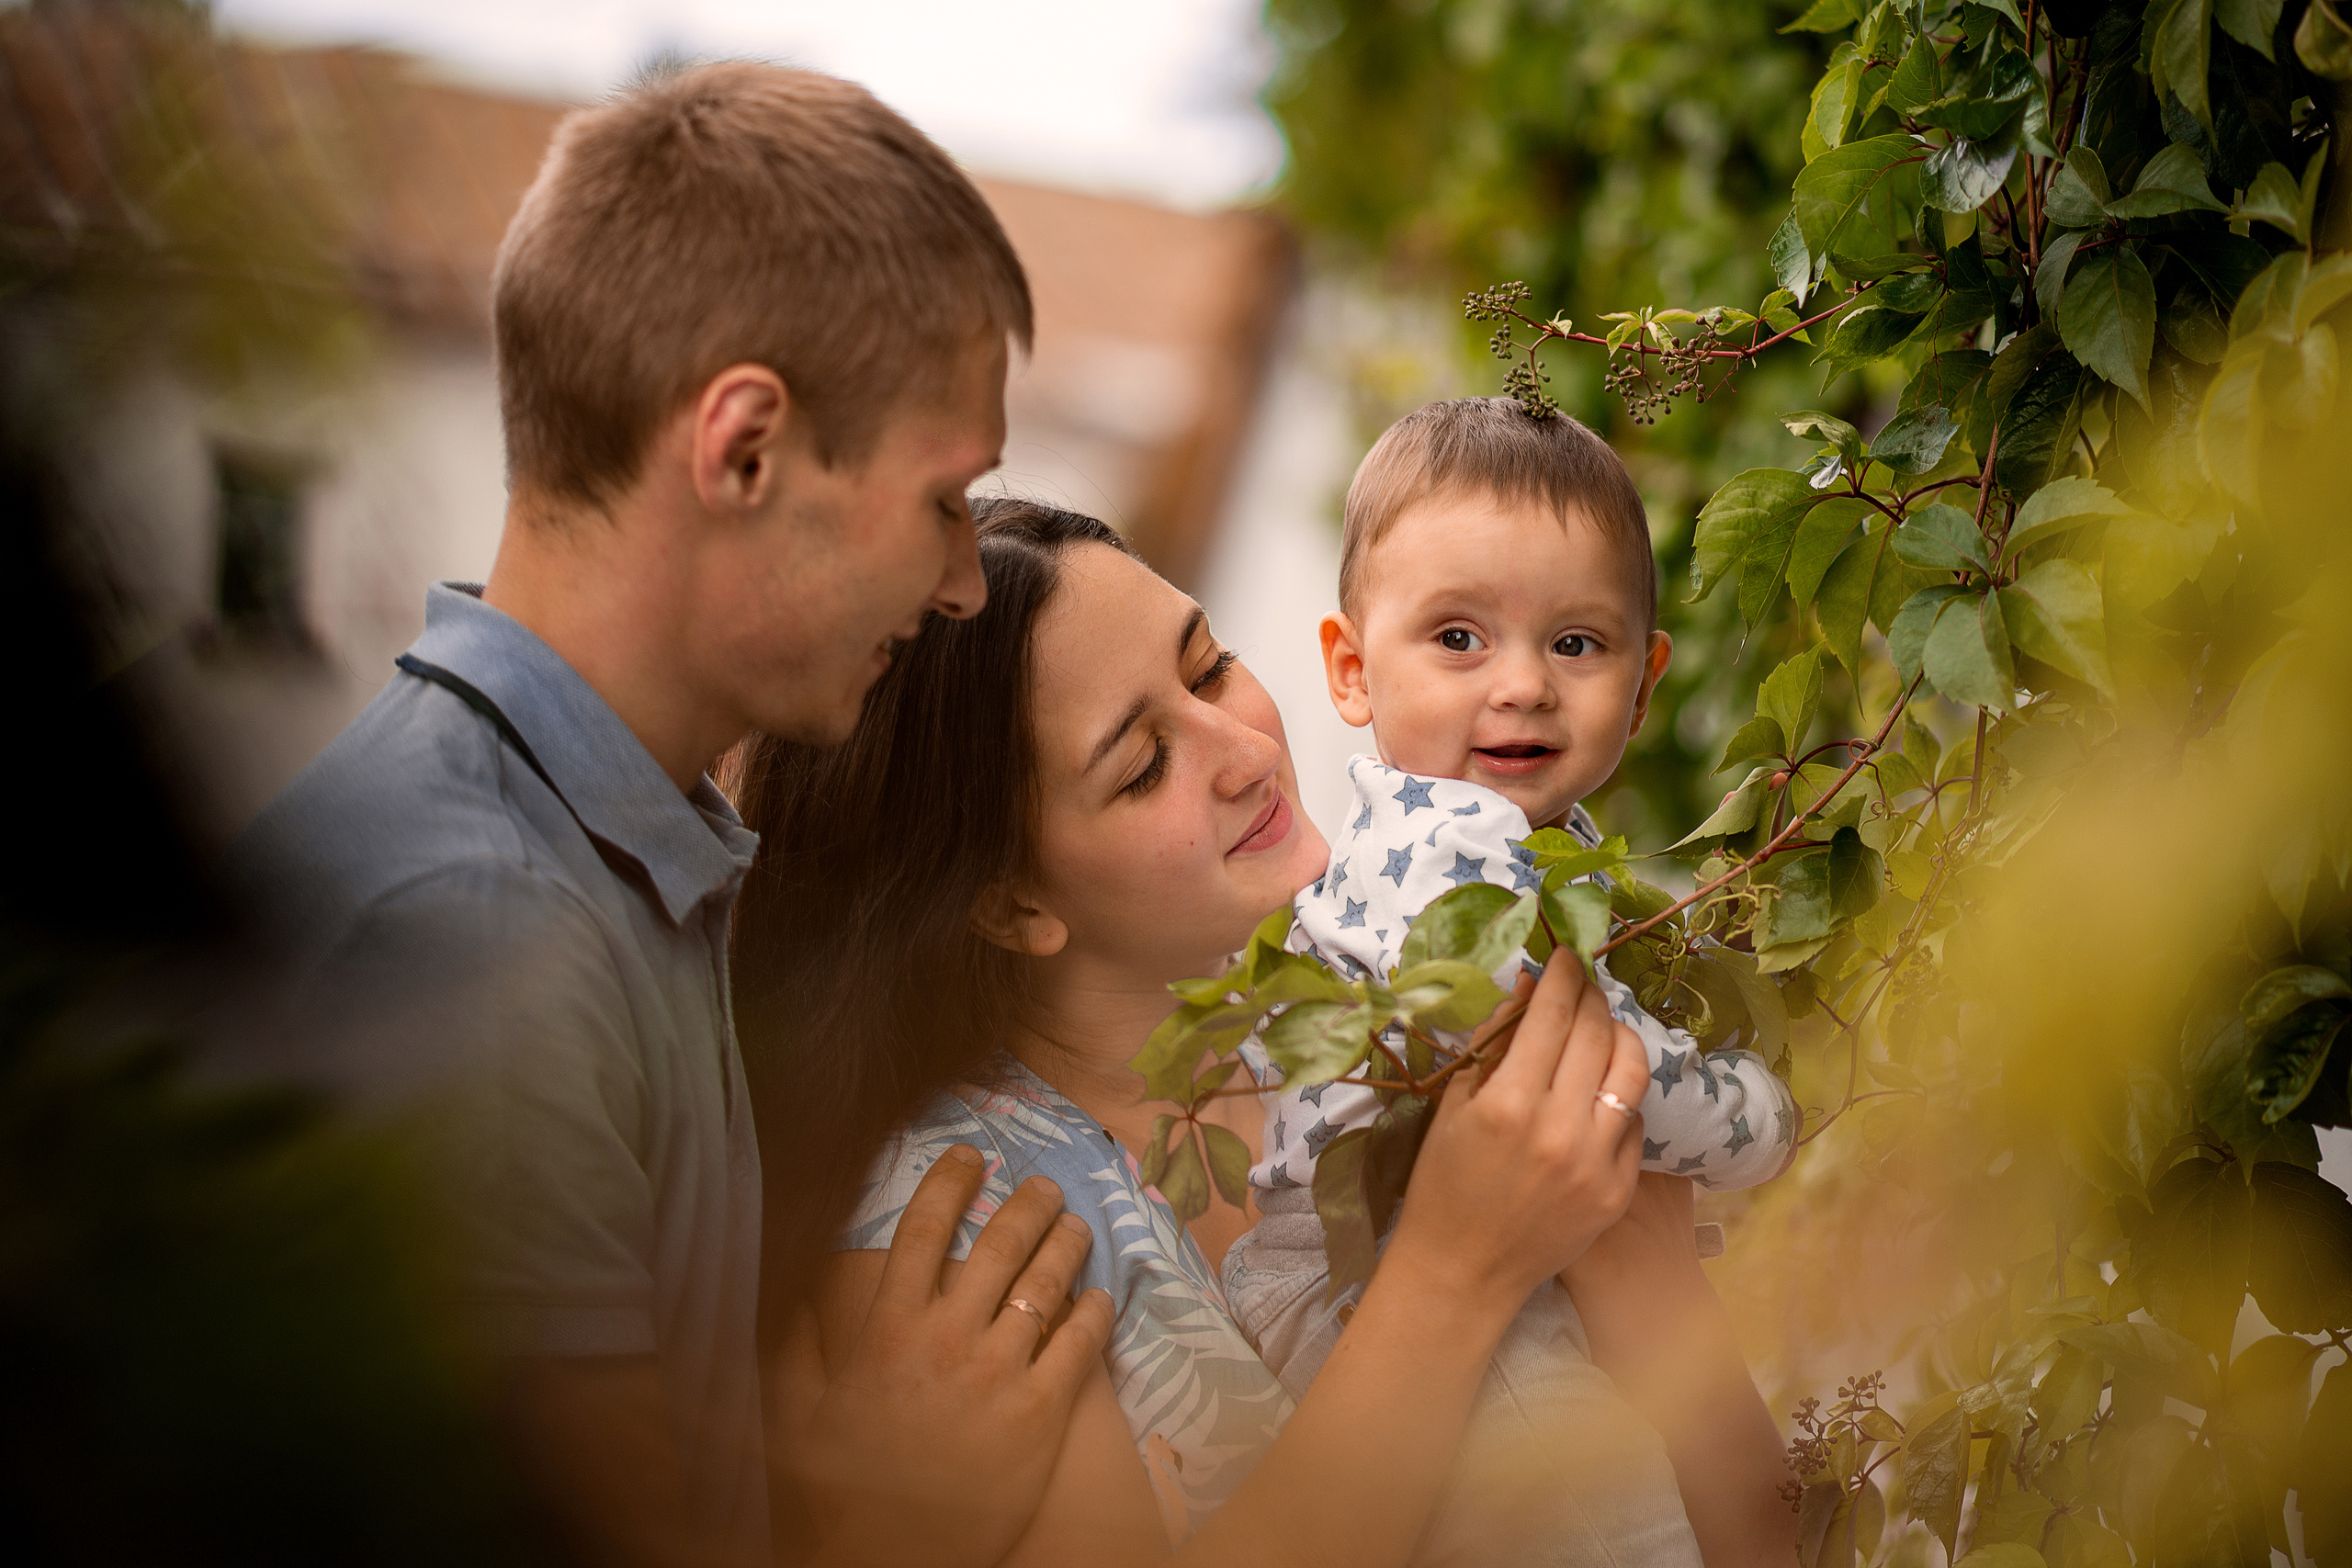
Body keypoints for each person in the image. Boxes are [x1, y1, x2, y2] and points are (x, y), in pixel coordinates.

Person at [220, 64, 1117, 1568]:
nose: (965, 580)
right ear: (744, 449)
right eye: (943, 497)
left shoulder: (604, 860)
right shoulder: (482, 935)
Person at [728, 497, 1765, 1564]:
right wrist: (1454, 1274)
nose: (1243, 751)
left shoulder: (1386, 1008)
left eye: (1209, 665)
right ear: (1010, 905)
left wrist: (1648, 1283)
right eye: (1141, 765)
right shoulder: (958, 1239)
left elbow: (1763, 1530)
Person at [1224, 395, 1800, 1565]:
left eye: (1575, 643)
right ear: (1350, 669)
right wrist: (1757, 1120)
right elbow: (1604, 1065)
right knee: (1615, 1527)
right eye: (1457, 638)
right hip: (1382, 1289)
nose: (1525, 685)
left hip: (1406, 1279)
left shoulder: (1494, 845)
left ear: (1645, 684)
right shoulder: (1446, 854)